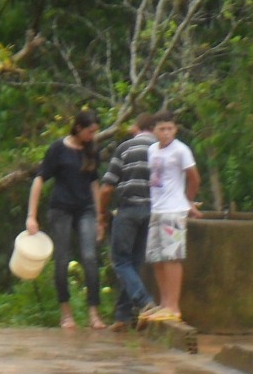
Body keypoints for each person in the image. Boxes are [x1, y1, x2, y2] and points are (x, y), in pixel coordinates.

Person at [26, 111, 106, 329]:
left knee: (90, 257)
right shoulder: (58, 149)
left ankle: (94, 313)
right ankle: (66, 313)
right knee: (62, 260)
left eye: (95, 132)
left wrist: (100, 217)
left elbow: (94, 184)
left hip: (86, 209)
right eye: (90, 131)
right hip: (61, 209)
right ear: (78, 128)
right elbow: (39, 179)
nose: (92, 136)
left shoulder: (92, 150)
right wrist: (31, 216)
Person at [96, 113, 157, 330]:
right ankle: (123, 316)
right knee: (135, 262)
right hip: (153, 211)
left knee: (121, 261)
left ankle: (144, 301)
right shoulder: (161, 149)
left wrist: (101, 213)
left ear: (136, 127)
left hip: (129, 209)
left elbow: (107, 188)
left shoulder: (125, 148)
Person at [142, 111, 199, 324]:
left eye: (170, 129)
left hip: (173, 209)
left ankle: (174, 307)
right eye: (162, 129)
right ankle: (164, 303)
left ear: (175, 129)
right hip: (156, 208)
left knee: (172, 257)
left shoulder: (181, 150)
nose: (166, 133)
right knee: (156, 258)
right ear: (154, 131)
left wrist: (188, 200)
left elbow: (194, 178)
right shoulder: (152, 150)